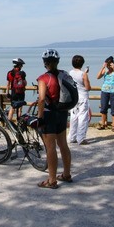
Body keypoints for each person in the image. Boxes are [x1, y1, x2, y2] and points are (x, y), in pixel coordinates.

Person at [36, 49, 72, 189]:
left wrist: (40, 118)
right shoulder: (64, 74)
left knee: (50, 147)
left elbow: (41, 99)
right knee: (63, 144)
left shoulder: (43, 78)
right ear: (58, 62)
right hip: (62, 113)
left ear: (45, 63)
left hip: (49, 115)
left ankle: (51, 180)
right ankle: (66, 174)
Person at [68, 55, 91, 145]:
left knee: (73, 117)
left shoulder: (70, 73)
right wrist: (86, 74)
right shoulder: (83, 74)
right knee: (82, 117)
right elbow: (88, 87)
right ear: (82, 63)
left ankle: (71, 137)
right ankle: (81, 138)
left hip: (74, 97)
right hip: (82, 97)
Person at [96, 56, 114, 131]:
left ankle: (113, 125)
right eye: (107, 65)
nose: (108, 66)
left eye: (109, 65)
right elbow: (98, 77)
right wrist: (102, 67)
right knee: (103, 108)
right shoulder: (105, 70)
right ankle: (103, 124)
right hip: (105, 91)